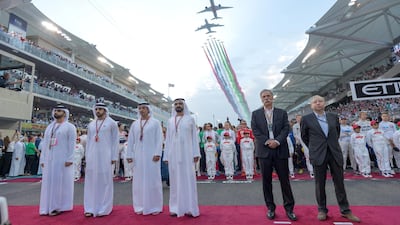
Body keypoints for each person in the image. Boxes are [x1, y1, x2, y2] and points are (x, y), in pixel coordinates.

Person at [301, 95, 360, 222]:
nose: (318, 103)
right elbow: (304, 137)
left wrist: (330, 144)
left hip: (334, 152)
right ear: (311, 105)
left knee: (339, 183)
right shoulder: (306, 119)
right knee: (319, 184)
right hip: (318, 154)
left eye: (320, 101)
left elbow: (336, 133)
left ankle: (345, 210)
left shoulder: (333, 117)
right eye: (315, 102)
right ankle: (322, 209)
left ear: (324, 103)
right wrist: (315, 147)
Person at [251, 89, 297, 221]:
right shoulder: (256, 114)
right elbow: (255, 130)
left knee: (285, 181)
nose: (266, 98)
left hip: (280, 149)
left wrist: (277, 141)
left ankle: (289, 209)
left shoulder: (281, 113)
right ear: (261, 99)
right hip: (264, 151)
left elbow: (285, 128)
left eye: (268, 96)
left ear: (272, 98)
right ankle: (270, 208)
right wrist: (267, 141)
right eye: (264, 96)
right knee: (266, 181)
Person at [163, 98, 200, 218]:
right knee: (174, 181)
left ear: (184, 105)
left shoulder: (190, 120)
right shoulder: (170, 121)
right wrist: (166, 155)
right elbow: (167, 139)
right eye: (176, 104)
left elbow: (195, 138)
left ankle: (190, 208)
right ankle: (175, 208)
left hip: (187, 154)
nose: (178, 105)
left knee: (188, 180)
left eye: (180, 104)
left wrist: (196, 153)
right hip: (173, 154)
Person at [39, 104, 77, 216]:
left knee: (60, 183)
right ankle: (47, 206)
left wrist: (70, 158)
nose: (56, 112)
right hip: (50, 159)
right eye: (55, 110)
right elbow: (45, 144)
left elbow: (72, 144)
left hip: (62, 160)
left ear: (64, 113)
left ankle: (58, 206)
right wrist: (43, 159)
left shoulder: (70, 127)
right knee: (48, 182)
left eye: (59, 111)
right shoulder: (50, 127)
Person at [126, 102, 163, 215]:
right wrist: (129, 155)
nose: (141, 110)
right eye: (140, 108)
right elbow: (131, 140)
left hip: (152, 156)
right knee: (138, 181)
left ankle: (154, 206)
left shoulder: (155, 123)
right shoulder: (135, 124)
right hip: (138, 156)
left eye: (143, 108)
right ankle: (140, 206)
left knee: (153, 180)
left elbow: (159, 139)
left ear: (148, 109)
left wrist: (157, 153)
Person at [84, 102, 119, 217]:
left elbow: (115, 142)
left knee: (105, 182)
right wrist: (87, 156)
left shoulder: (112, 123)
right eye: (96, 109)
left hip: (106, 157)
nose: (98, 111)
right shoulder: (91, 124)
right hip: (92, 157)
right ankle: (90, 207)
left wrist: (114, 156)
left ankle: (104, 208)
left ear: (105, 110)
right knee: (91, 182)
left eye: (100, 109)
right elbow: (89, 141)